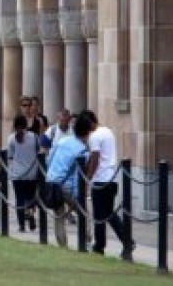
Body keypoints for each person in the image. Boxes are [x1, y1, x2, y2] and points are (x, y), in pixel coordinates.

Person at [82, 109, 135, 261]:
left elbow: (95, 158)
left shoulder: (95, 136)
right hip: (111, 179)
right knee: (107, 213)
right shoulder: (108, 131)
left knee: (102, 215)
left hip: (101, 179)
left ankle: (114, 242)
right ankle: (106, 243)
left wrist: (88, 178)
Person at [44, 115, 91, 247]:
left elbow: (49, 160)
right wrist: (79, 194)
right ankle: (86, 241)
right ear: (87, 133)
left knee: (59, 217)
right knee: (84, 213)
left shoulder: (63, 141)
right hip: (67, 186)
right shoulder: (82, 150)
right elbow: (78, 175)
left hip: (52, 182)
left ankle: (62, 246)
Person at [6, 115, 39, 232]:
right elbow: (38, 154)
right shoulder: (34, 137)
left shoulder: (11, 139)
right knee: (30, 197)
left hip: (17, 173)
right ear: (26, 124)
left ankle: (21, 224)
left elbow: (10, 156)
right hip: (31, 173)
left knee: (19, 198)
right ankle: (30, 214)